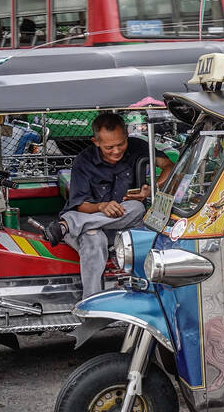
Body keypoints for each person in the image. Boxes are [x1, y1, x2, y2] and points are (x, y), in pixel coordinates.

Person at [44, 111, 173, 298]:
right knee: (94, 239)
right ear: (96, 142)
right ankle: (91, 306)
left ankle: (67, 224)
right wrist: (101, 207)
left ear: (127, 136)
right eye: (109, 147)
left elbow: (169, 165)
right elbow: (80, 205)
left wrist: (153, 188)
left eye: (121, 144)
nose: (116, 150)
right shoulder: (83, 161)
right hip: (88, 227)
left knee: (137, 208)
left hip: (124, 223)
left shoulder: (137, 147)